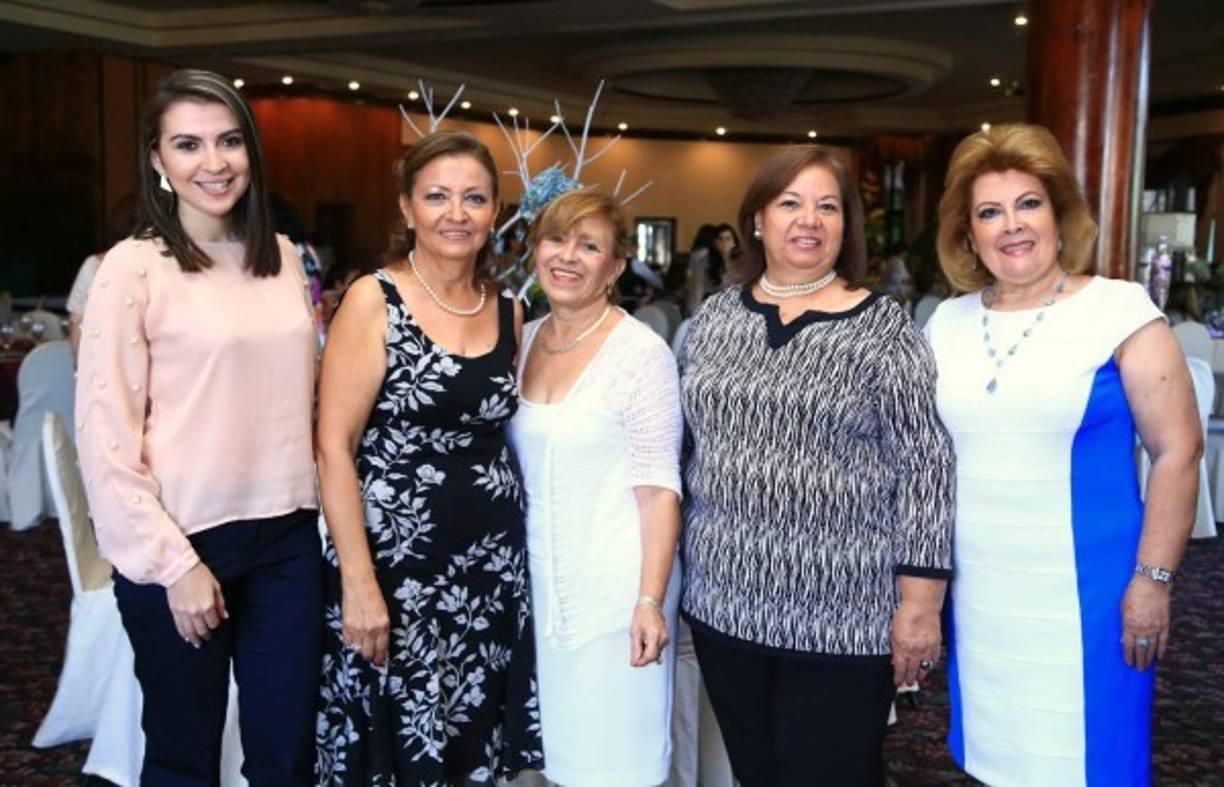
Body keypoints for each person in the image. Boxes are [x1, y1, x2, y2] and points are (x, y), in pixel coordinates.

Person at [926, 123, 1201, 786]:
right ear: (967, 233)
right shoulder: (945, 322)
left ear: (1059, 214)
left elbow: (1178, 450)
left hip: (1094, 594)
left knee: (1091, 760)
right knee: (997, 755)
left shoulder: (1118, 309)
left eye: (1029, 204)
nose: (1012, 226)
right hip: (983, 594)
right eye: (990, 212)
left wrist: (1152, 581)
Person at [678, 145, 955, 786]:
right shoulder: (715, 318)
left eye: (827, 206)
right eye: (790, 203)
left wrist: (920, 605)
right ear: (757, 220)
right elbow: (684, 449)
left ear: (845, 225)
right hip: (726, 605)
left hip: (843, 610)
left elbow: (926, 470)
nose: (809, 220)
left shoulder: (885, 329)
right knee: (756, 771)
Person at [75, 69, 321, 784]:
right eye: (188, 145)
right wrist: (173, 565)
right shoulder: (133, 268)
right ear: (157, 160)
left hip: (286, 542)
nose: (214, 163)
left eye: (229, 141)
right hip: (182, 543)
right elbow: (103, 436)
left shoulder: (283, 258)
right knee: (185, 759)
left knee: (287, 756)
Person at [314, 130, 543, 784]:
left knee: (472, 735)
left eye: (474, 197)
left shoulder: (511, 311)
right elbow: (333, 445)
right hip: (394, 568)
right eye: (437, 196)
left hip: (489, 572)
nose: (456, 212)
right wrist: (358, 581)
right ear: (408, 207)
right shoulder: (373, 299)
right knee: (395, 736)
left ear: (495, 211)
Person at [507, 187, 682, 786]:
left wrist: (649, 601)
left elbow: (659, 487)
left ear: (613, 267)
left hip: (613, 601)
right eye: (556, 239)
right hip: (533, 594)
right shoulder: (522, 340)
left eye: (589, 246)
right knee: (545, 760)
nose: (568, 257)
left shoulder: (641, 354)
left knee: (613, 765)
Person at [66, 195, 135, 360]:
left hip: (102, 364)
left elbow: (77, 322)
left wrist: (79, 367)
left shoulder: (94, 264)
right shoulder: (164, 265)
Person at [683, 223, 737, 315]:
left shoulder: (742, 263)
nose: (724, 243)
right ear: (715, 242)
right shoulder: (704, 263)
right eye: (720, 239)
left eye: (728, 239)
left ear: (734, 242)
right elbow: (696, 293)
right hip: (713, 312)